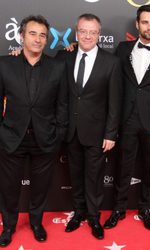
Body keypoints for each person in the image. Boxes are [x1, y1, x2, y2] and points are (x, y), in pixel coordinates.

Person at [104, 4, 150, 231]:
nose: (149, 27)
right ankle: (118, 208)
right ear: (137, 24)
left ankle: (145, 208)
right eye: (144, 22)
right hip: (126, 120)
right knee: (122, 166)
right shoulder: (122, 49)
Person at [0, 15, 68, 247]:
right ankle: (8, 226)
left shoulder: (58, 66)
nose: (38, 39)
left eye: (42, 35)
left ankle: (36, 223)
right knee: (9, 187)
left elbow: (62, 105)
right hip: (11, 138)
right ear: (21, 36)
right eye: (32, 33)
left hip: (45, 138)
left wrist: (58, 133)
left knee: (40, 186)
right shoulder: (4, 64)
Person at [56, 14, 122, 240]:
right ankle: (78, 213)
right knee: (75, 175)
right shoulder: (64, 57)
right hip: (71, 130)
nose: (87, 36)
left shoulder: (111, 62)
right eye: (83, 31)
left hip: (97, 132)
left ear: (99, 35)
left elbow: (115, 102)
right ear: (76, 33)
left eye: (92, 32)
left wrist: (111, 133)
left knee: (93, 177)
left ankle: (93, 217)